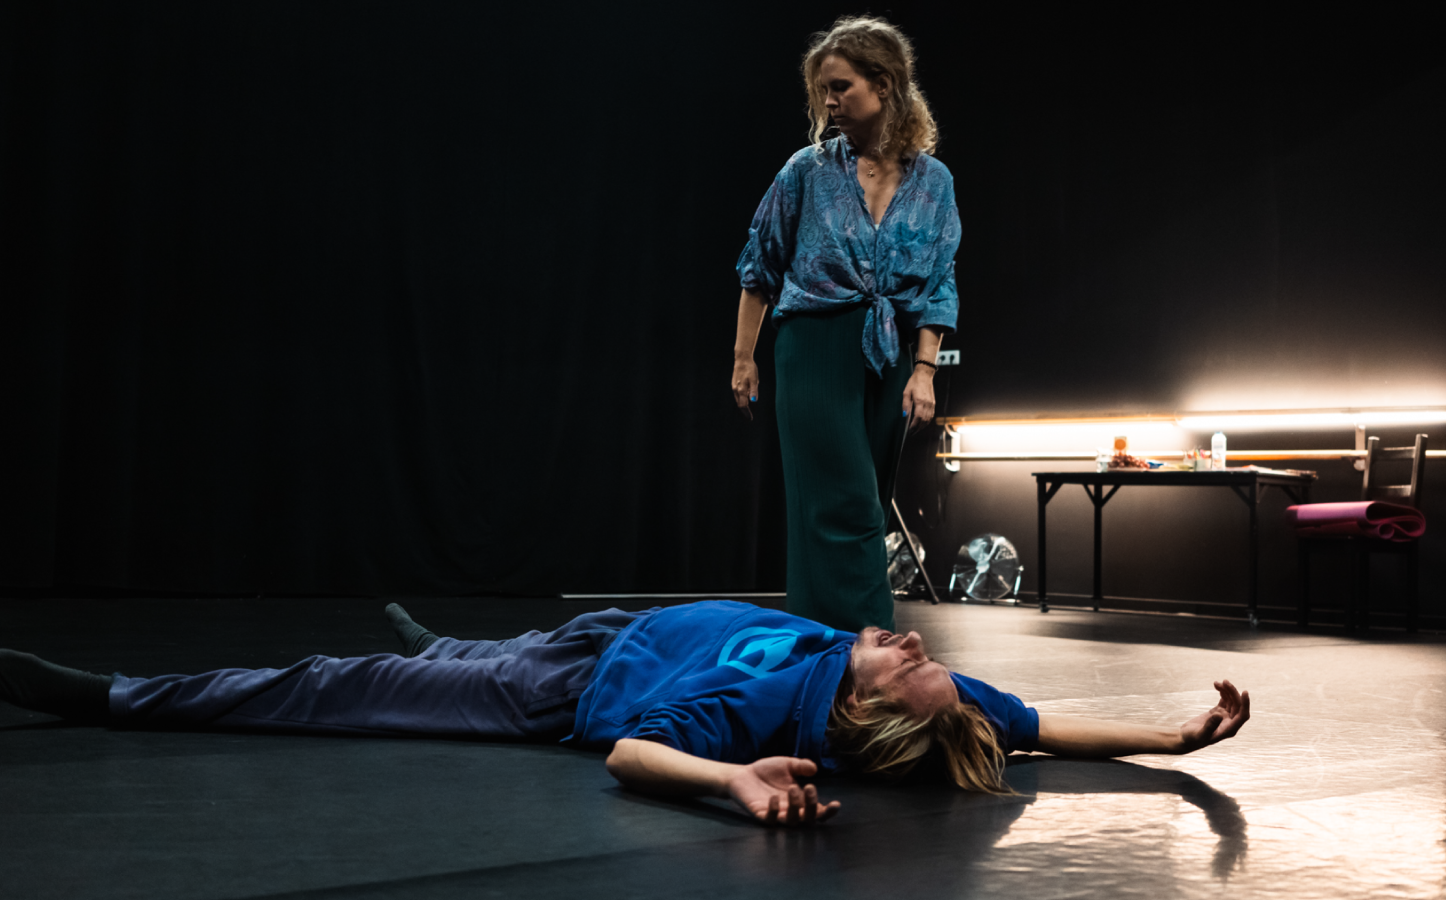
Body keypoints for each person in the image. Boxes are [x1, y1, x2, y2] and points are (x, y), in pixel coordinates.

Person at [0, 600, 1250, 827]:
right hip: (612, 629)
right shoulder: (946, 703)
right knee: (457, 651)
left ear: (856, 713)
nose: (918, 647)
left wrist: (731, 784)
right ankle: (445, 647)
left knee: (338, 684)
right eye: (920, 658)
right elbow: (1035, 728)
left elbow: (632, 752)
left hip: (562, 693)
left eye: (901, 663)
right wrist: (1167, 736)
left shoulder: (763, 712)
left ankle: (110, 695)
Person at [730, 17, 958, 633]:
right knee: (844, 504)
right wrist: (744, 358)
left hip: (887, 354)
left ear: (884, 85)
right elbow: (760, 265)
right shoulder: (806, 170)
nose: (828, 102)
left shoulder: (933, 182)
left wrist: (924, 370)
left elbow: (939, 283)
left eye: (840, 86)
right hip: (815, 348)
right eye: (822, 90)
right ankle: (874, 639)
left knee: (866, 506)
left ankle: (821, 645)